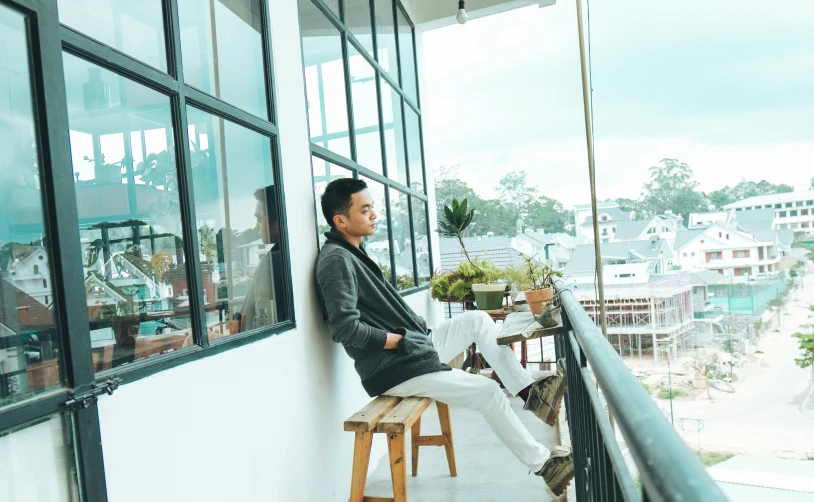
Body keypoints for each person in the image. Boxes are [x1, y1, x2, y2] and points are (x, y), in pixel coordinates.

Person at [314, 178, 574, 495]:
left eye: (373, 207)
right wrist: (398, 341)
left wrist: (410, 338)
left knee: (478, 319)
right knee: (489, 394)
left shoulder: (354, 252)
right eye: (365, 209)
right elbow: (345, 329)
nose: (374, 215)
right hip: (395, 365)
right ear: (340, 220)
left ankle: (532, 395)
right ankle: (545, 466)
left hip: (416, 346)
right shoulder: (335, 261)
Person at [240, 186, 288, 331]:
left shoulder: (271, 264)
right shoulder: (297, 258)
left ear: (277, 225)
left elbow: (262, 322)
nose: (256, 227)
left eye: (259, 219)